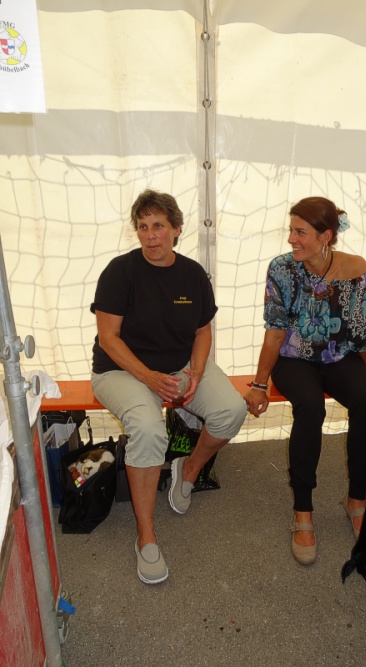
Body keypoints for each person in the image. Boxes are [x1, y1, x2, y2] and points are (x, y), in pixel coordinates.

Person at [90, 189, 247, 584]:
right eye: (143, 227)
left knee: (232, 411)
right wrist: (149, 379)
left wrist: (196, 373)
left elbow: (203, 330)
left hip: (178, 366)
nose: (150, 235)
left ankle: (188, 469)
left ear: (177, 229)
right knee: (148, 430)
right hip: (121, 371)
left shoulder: (193, 275)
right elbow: (109, 339)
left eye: (158, 226)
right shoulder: (120, 272)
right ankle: (146, 534)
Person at [245, 196, 366, 565]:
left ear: (326, 236)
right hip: (293, 357)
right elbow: (275, 331)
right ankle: (303, 511)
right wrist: (259, 384)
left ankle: (357, 498)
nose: (291, 239)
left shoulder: (356, 269)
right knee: (310, 406)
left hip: (339, 355)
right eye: (291, 230)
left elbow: (364, 330)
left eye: (300, 232)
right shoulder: (282, 269)